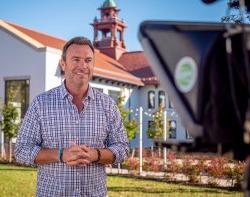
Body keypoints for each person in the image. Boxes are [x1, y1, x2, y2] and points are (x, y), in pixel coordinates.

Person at [15, 36, 129, 197]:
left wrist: (95, 155)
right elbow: (21, 150)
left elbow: (123, 148)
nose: (82, 66)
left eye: (88, 60)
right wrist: (61, 155)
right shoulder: (41, 104)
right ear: (63, 63)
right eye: (76, 59)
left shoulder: (108, 105)